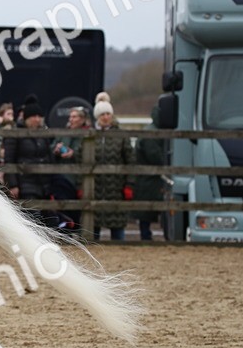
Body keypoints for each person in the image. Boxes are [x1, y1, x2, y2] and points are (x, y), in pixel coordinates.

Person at [3, 99, 63, 227]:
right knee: (32, 220)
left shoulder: (43, 134)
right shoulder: (15, 133)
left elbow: (48, 157)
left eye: (39, 116)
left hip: (44, 185)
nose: (37, 119)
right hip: (26, 184)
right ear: (26, 118)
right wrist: (13, 185)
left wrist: (56, 155)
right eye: (33, 116)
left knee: (51, 222)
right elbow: (9, 161)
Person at [91, 99, 134, 241]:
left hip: (116, 187)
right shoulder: (90, 135)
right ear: (97, 116)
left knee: (118, 227)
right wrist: (82, 185)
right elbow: (81, 159)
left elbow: (130, 161)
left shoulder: (121, 135)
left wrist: (129, 184)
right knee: (93, 225)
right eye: (102, 114)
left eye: (108, 113)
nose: (106, 117)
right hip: (95, 188)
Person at [49, 105, 90, 232]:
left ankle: (78, 233)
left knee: (77, 211)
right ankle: (65, 233)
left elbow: (92, 155)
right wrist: (55, 150)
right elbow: (50, 149)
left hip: (78, 180)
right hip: (61, 178)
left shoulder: (88, 135)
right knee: (62, 209)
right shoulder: (63, 133)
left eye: (75, 116)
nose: (71, 119)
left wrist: (74, 154)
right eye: (70, 116)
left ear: (83, 119)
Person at [134, 104, 167, 240]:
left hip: (146, 177)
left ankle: (146, 234)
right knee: (146, 209)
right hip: (149, 177)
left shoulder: (151, 131)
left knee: (146, 210)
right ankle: (146, 235)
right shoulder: (153, 134)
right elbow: (155, 157)